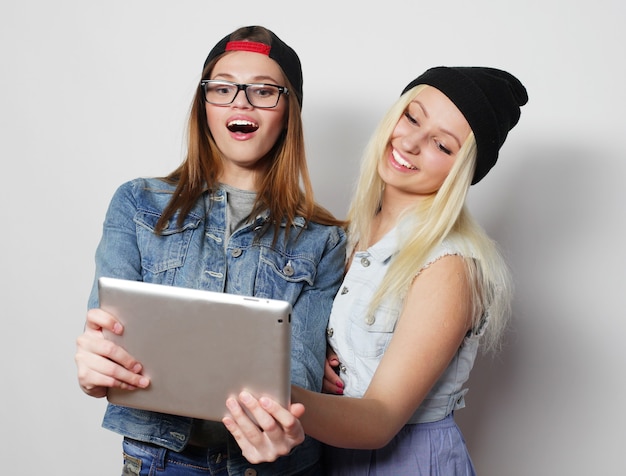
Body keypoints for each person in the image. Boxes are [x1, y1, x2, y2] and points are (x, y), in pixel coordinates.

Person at [221, 66, 528, 475]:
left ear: (463, 170)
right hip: (333, 456)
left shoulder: (449, 265)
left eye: (442, 144)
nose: (411, 142)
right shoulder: (349, 236)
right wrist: (318, 363)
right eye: (412, 117)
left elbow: (380, 420)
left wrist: (271, 392)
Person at [74, 25, 347, 476]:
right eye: (223, 88)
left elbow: (298, 366)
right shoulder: (136, 204)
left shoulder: (325, 239)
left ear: (288, 112)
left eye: (263, 91)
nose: (241, 102)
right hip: (160, 461)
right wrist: (97, 367)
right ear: (204, 106)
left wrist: (282, 414)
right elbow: (109, 339)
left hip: (279, 467)